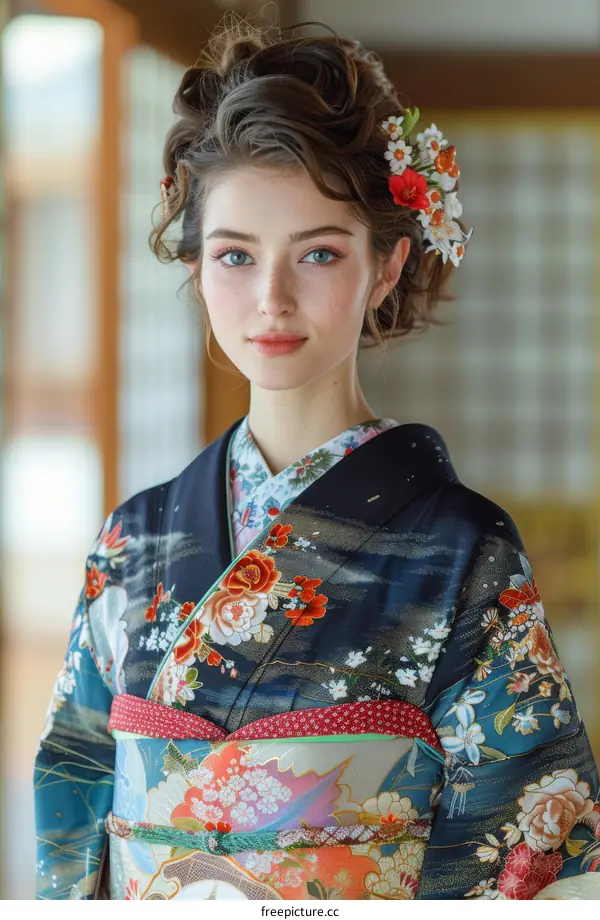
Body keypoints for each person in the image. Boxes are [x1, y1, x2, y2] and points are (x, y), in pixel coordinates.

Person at [34, 17, 599, 901]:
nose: (272, 299)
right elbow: (73, 808)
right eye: (234, 256)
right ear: (196, 268)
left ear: (385, 267)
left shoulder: (463, 549)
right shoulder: (133, 538)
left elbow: (527, 852)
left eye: (320, 253)